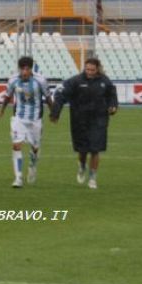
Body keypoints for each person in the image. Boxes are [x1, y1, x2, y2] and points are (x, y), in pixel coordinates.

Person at [50, 57, 118, 189]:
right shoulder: (75, 81)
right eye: (87, 69)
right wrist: (55, 113)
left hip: (99, 120)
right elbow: (60, 95)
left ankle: (92, 178)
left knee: (95, 149)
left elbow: (112, 95)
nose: (90, 72)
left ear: (97, 69)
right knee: (82, 151)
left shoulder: (105, 81)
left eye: (92, 70)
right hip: (79, 120)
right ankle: (82, 165)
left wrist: (113, 106)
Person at [0, 56, 53, 188]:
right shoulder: (13, 80)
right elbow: (8, 96)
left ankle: (32, 165)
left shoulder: (40, 80)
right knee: (16, 145)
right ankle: (18, 178)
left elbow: (47, 97)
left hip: (35, 119)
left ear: (31, 69)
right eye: (22, 69)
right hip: (19, 118)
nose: (24, 72)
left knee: (35, 148)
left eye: (27, 69)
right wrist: (2, 110)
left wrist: (54, 113)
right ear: (19, 69)